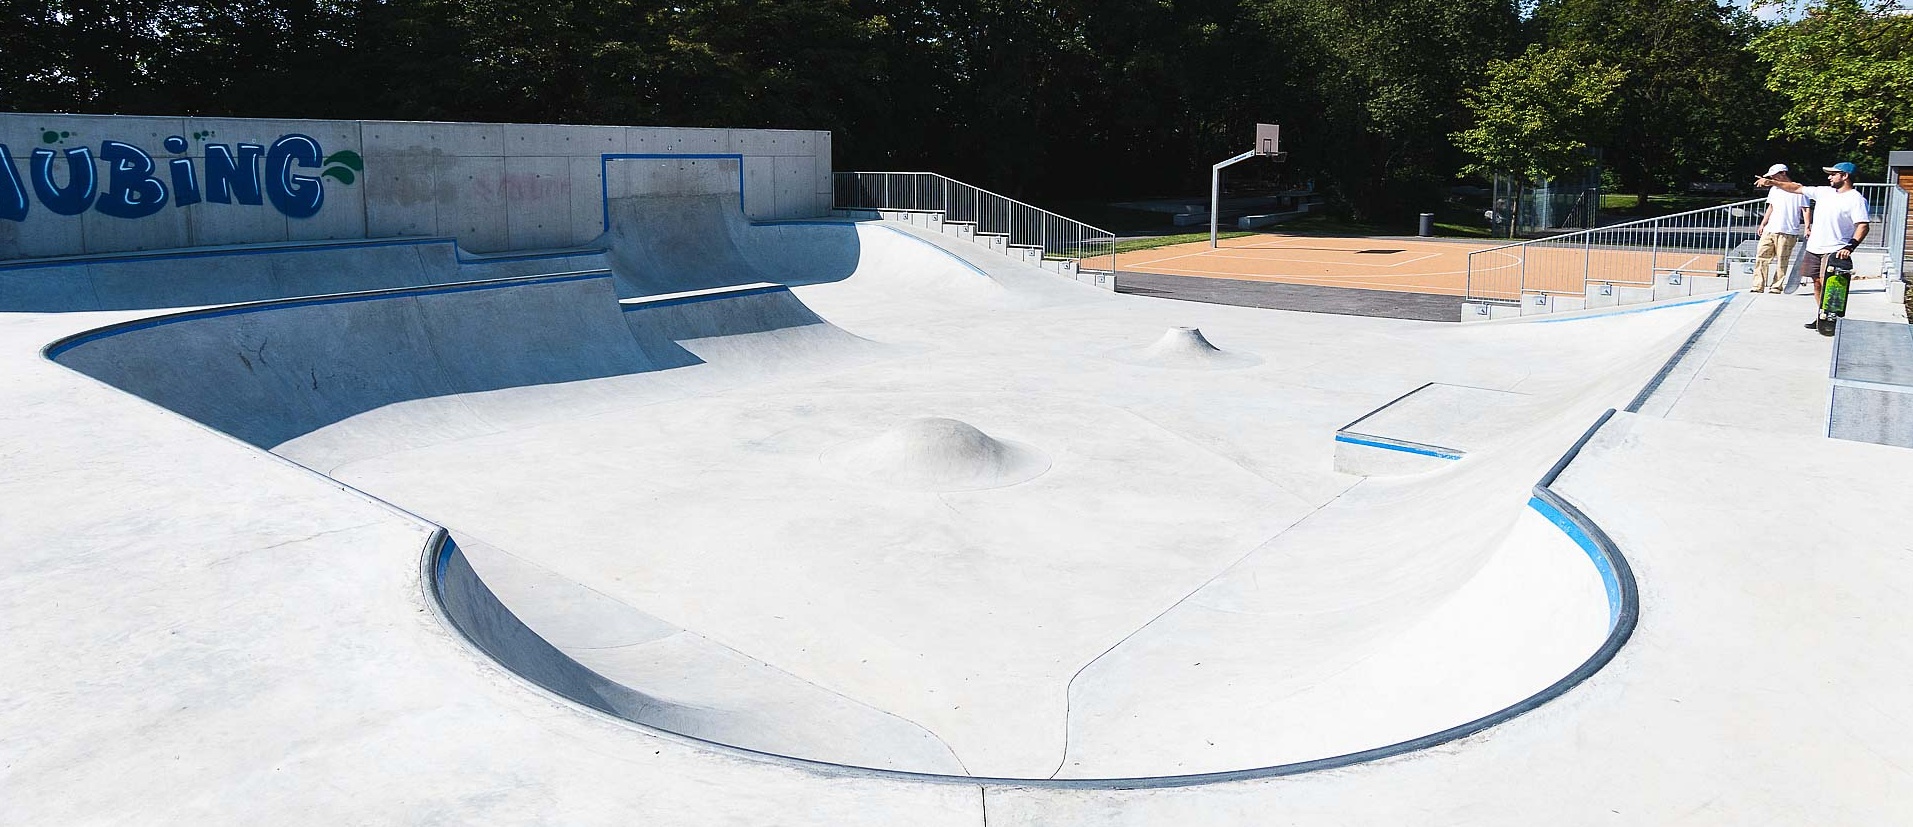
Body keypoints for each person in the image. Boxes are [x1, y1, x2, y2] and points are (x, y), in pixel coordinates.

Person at [1756, 162, 1870, 329]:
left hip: (1835, 249)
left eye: (1833, 174)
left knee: (1828, 283)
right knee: (1816, 282)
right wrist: (1773, 183)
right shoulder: (1824, 192)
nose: (1829, 177)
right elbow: (1796, 188)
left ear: (1845, 176)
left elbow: (1863, 226)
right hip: (1814, 247)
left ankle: (1833, 318)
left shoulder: (1856, 199)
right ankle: (1822, 316)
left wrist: (1850, 247)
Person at [1750, 164, 1808, 293]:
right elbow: (1771, 207)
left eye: (1774, 176)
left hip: (1788, 230)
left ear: (1783, 173)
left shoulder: (1798, 189)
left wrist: (1807, 227)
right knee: (1761, 256)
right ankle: (1757, 285)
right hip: (1770, 229)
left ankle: (1776, 286)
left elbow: (1805, 209)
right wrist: (1763, 223)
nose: (1772, 179)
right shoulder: (1774, 190)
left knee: (1782, 259)